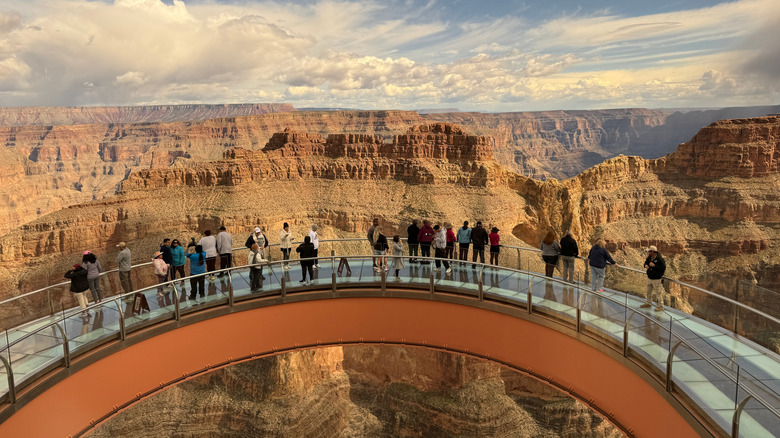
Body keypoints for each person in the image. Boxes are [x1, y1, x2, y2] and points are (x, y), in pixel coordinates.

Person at [641, 245, 667, 311]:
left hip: (656, 279)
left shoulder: (660, 259)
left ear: (653, 252)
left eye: (650, 251)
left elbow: (663, 268)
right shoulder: (649, 257)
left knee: (658, 293)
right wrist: (645, 265)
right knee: (648, 292)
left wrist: (655, 266)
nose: (648, 252)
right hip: (649, 277)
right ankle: (648, 303)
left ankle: (661, 306)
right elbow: (645, 263)